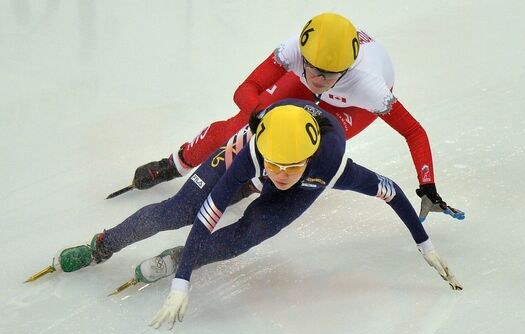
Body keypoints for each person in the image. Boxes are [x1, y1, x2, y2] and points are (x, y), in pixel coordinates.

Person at [56, 99, 462, 330]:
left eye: (292, 167)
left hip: (289, 161)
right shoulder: (252, 153)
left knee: (245, 234)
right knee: (176, 210)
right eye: (276, 167)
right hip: (253, 151)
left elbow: (390, 192)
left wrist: (424, 246)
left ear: (309, 160)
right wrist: (182, 286)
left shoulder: (332, 165)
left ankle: (183, 256)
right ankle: (101, 246)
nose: (282, 176)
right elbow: (206, 216)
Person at [129, 13, 464, 223]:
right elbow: (246, 89)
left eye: (329, 74)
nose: (318, 80)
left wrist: (428, 186)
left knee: (300, 149)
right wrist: (259, 114)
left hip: (349, 107)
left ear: (347, 69)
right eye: (312, 69)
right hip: (317, 81)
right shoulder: (296, 50)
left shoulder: (369, 88)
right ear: (302, 55)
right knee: (239, 125)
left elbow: (414, 132)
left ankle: (251, 184)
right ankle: (176, 162)